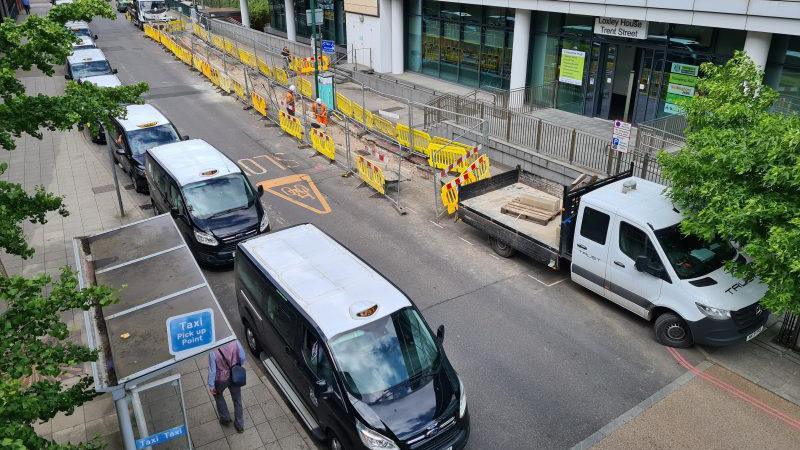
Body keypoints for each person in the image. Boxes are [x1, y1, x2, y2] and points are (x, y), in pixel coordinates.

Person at [208, 340, 247, 433]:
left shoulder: (212, 351)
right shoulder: (235, 342)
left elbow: (212, 371)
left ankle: (225, 418)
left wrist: (211, 385)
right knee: (237, 399)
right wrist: (236, 366)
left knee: (218, 396)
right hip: (235, 376)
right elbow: (242, 357)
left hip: (220, 379)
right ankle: (240, 424)